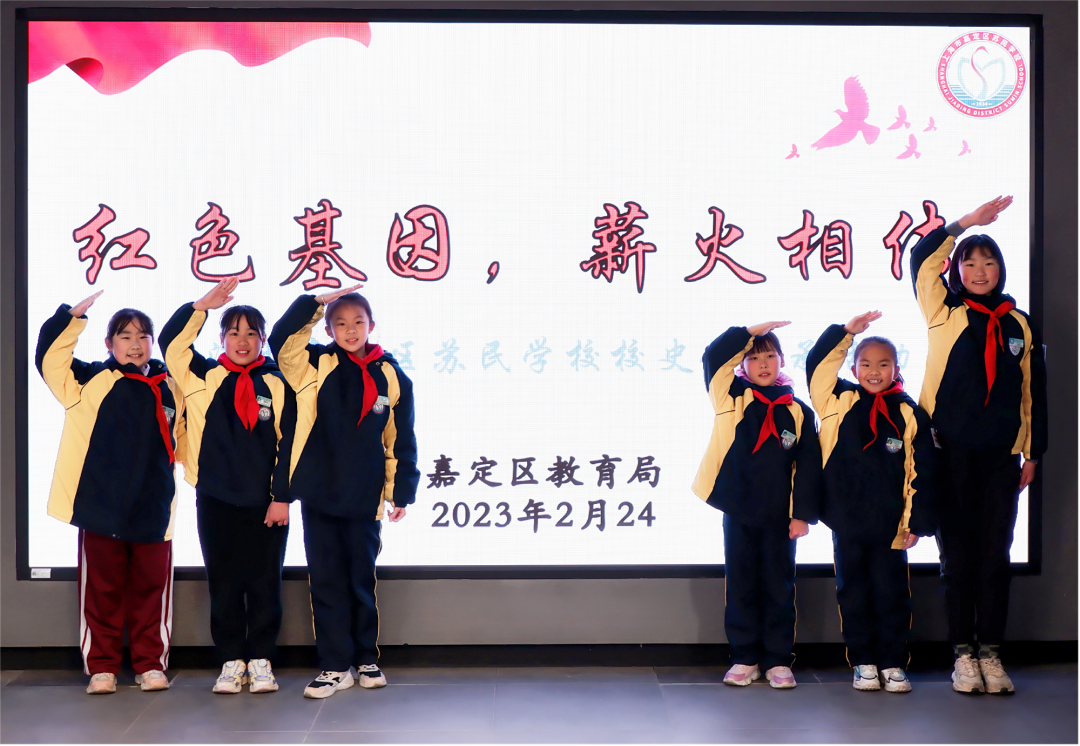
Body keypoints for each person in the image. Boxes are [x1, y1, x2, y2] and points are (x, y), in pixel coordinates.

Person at [910, 195, 1047, 694]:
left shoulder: (1018, 322)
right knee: (958, 558)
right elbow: (920, 258)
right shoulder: (943, 310)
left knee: (995, 556)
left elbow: (1033, 391)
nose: (979, 271)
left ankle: (991, 652)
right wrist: (966, 223)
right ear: (957, 270)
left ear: (1000, 269)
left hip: (1001, 457)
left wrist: (1033, 452)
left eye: (988, 262)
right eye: (969, 262)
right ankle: (962, 656)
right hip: (948, 453)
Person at [268, 284, 419, 699]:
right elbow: (281, 340)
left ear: (371, 325)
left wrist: (400, 492)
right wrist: (315, 303)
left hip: (364, 495)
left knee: (360, 581)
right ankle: (335, 665)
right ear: (329, 329)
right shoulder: (314, 365)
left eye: (358, 322)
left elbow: (400, 438)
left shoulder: (392, 375)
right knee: (327, 582)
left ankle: (366, 658)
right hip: (319, 493)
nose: (350, 330)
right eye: (340, 323)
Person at [36, 292, 185, 695]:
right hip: (100, 507)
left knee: (151, 592)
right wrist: (70, 318)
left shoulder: (170, 387)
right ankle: (102, 667)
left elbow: (185, 439)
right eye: (125, 336)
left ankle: (150, 664)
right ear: (109, 344)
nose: (135, 344)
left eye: (143, 336)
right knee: (101, 592)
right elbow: (49, 360)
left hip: (154, 507)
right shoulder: (87, 381)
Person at [159, 278, 296, 694]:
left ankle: (262, 659)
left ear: (263, 339)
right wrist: (201, 306)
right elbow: (171, 344)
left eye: (251, 333)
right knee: (224, 582)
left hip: (266, 503)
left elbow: (290, 444)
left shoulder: (277, 382)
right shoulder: (202, 375)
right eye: (234, 332)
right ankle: (231, 660)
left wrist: (282, 497)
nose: (243, 341)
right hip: (215, 498)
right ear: (222, 338)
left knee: (265, 582)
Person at [807, 312, 936, 693]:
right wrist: (845, 333)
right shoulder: (837, 400)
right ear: (853, 368)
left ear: (896, 368)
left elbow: (922, 471)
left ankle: (893, 663)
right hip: (846, 521)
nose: (874, 371)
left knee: (891, 593)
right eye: (865, 364)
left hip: (891, 524)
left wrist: (916, 522)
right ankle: (863, 661)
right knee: (853, 592)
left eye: (883, 364)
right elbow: (817, 365)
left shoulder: (909, 412)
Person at [692, 321, 821, 689]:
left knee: (779, 586)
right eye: (753, 358)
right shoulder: (731, 397)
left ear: (782, 360)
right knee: (742, 584)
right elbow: (713, 357)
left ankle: (778, 659)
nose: (763, 364)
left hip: (780, 517)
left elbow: (808, 467)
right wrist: (749, 332)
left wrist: (801, 515)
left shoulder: (798, 411)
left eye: (770, 356)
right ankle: (745, 657)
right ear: (742, 365)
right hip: (739, 510)